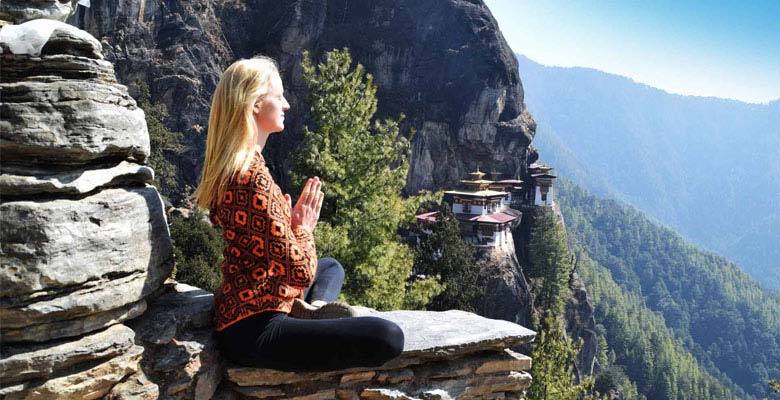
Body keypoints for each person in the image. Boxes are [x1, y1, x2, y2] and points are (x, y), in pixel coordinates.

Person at [193, 56, 404, 372]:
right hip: (257, 328)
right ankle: (304, 308)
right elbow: (301, 272)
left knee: (331, 266)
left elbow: (267, 248)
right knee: (388, 336)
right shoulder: (251, 176)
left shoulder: (234, 168)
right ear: (253, 104)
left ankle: (312, 307)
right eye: (278, 96)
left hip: (251, 305)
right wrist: (302, 227)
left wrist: (286, 226)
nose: (286, 104)